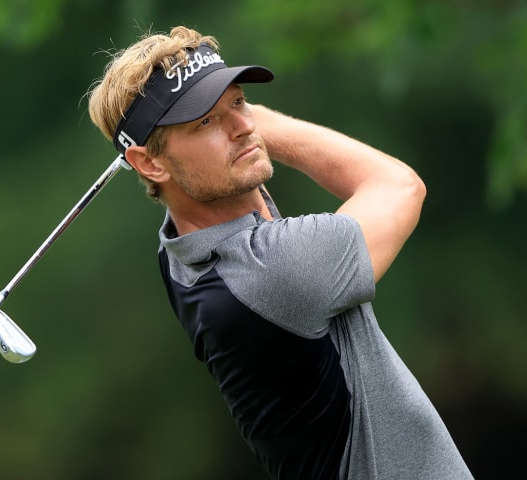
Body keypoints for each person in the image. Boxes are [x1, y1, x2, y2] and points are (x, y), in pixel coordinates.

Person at [87, 26, 473, 480]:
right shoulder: (273, 269)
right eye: (205, 121)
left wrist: (228, 128)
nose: (244, 126)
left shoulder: (179, 253)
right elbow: (399, 186)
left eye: (238, 101)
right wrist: (269, 125)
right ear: (150, 163)